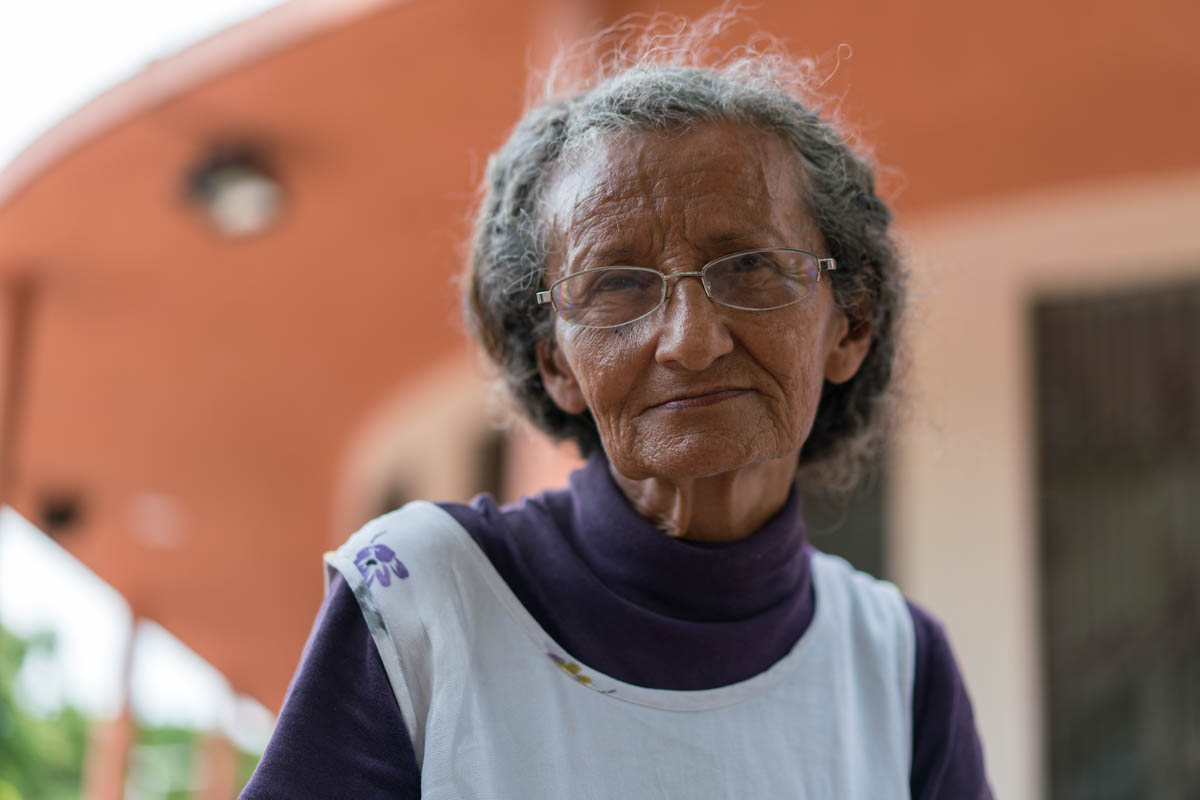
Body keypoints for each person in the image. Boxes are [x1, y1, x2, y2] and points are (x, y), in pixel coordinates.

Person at [243, 16, 992, 799]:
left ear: (852, 325)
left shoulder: (898, 664)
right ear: (557, 363)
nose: (690, 341)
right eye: (618, 285)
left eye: (750, 268)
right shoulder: (423, 599)